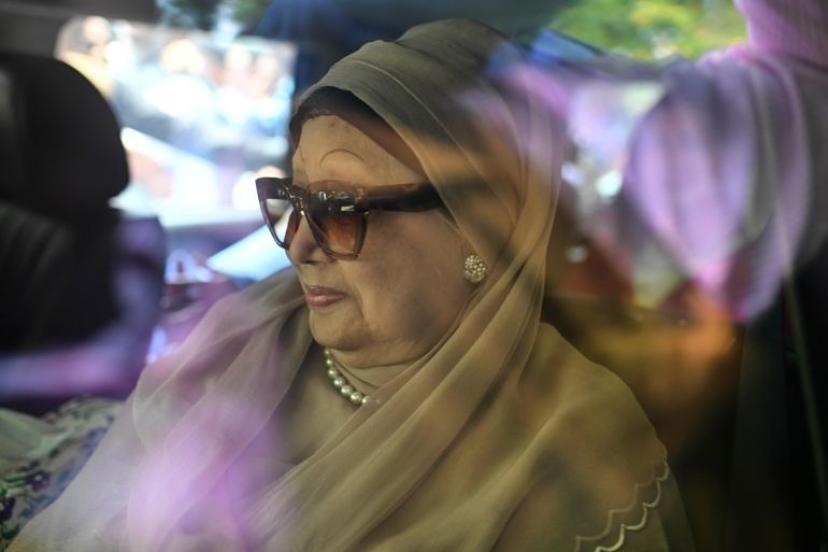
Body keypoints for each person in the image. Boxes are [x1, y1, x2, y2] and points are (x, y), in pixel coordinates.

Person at [10, 20, 690, 551]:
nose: (299, 247)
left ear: (482, 231)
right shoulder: (236, 342)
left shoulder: (573, 442)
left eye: (339, 208)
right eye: (295, 201)